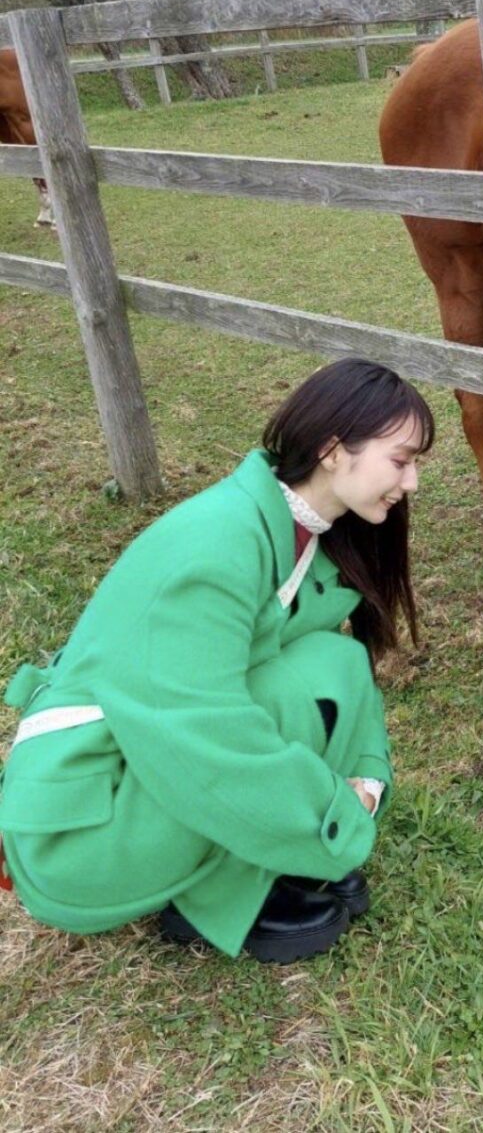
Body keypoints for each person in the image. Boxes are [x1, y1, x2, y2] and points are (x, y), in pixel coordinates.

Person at [0, 358, 434, 963]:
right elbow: (205, 740)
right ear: (335, 451)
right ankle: (222, 895)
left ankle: (253, 868)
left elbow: (340, 672)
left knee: (331, 662)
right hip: (79, 840)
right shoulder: (218, 544)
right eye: (402, 460)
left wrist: (365, 782)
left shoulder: (304, 535)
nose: (412, 482)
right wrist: (337, 825)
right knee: (273, 707)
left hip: (138, 772)